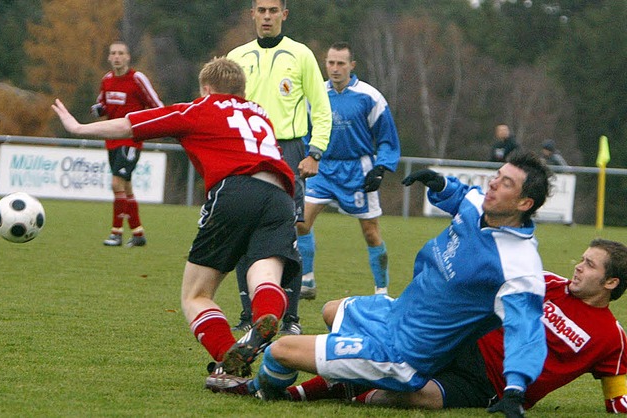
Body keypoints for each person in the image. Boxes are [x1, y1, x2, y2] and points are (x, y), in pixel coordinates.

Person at [207, 151, 554, 417]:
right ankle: (346, 378)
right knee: (330, 310)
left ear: (525, 203)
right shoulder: (481, 203)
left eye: (506, 183)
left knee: (282, 350)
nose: (494, 183)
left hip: (403, 352)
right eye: (497, 176)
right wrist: (442, 185)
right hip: (393, 313)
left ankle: (259, 390)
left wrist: (516, 387)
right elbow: (464, 196)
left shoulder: (518, 265)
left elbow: (526, 329)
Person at [53, 57, 302, 379]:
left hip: (237, 190)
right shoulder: (260, 113)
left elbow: (131, 124)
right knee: (265, 276)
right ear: (242, 89)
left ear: (207, 89)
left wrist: (79, 128)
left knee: (195, 295)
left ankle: (228, 356)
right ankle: (265, 318)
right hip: (281, 196)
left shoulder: (200, 108)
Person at [287, 239, 627, 415]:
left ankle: (342, 386)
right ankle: (304, 384)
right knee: (339, 317)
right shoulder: (548, 283)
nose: (578, 267)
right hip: (463, 340)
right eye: (581, 259)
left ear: (611, 281)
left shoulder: (612, 338)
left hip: (488, 385)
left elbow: (617, 400)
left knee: (411, 397)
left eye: (589, 265)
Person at [227, 0, 332, 335]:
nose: (268, 16)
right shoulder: (237, 57)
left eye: (274, 10)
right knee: (244, 233)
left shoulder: (300, 55)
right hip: (246, 151)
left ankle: (291, 319)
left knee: (289, 234)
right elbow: (223, 107)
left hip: (288, 149)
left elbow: (322, 107)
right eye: (262, 10)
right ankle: (248, 315)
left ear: (284, 15)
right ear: (253, 14)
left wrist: (315, 152)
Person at [297, 41, 401, 300]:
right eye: (330, 62)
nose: (334, 68)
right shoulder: (316, 94)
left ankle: (381, 291)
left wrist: (380, 168)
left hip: (357, 170)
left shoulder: (369, 97)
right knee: (301, 223)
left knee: (371, 232)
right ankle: (307, 281)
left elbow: (387, 138)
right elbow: (305, 132)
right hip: (323, 168)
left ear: (352, 66)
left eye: (341, 63)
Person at [91, 41, 164, 247]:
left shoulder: (137, 79)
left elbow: (156, 105)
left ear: (128, 57)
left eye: (121, 53)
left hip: (131, 139)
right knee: (126, 186)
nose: (116, 57)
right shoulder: (106, 80)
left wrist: (152, 126)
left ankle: (116, 233)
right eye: (113, 53)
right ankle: (138, 234)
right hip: (112, 140)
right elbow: (104, 104)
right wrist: (99, 109)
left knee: (116, 183)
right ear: (109, 57)